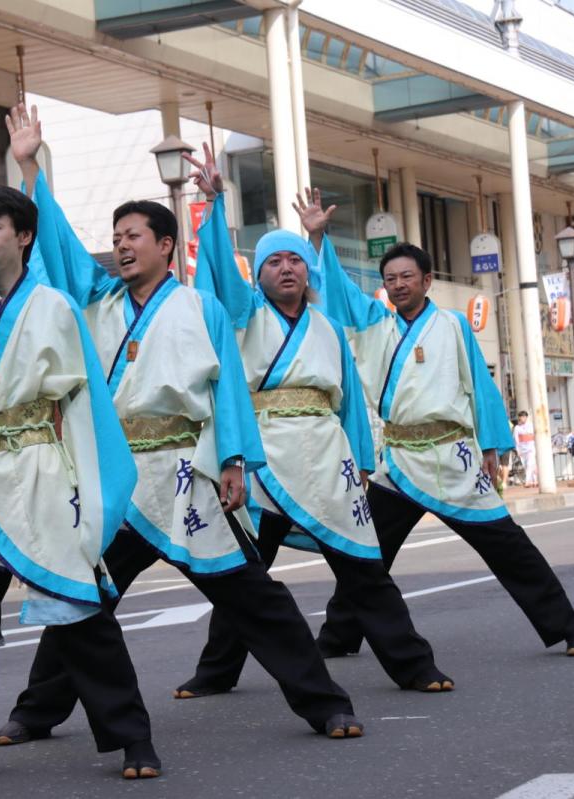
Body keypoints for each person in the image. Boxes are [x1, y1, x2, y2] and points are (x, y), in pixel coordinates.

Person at [0, 104, 363, 745]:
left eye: (135, 235)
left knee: (254, 597)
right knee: (84, 596)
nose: (122, 245)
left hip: (189, 474)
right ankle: (35, 712)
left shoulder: (202, 307)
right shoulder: (96, 300)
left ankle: (324, 703)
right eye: (117, 236)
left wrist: (234, 460)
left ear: (166, 245)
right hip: (119, 479)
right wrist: (30, 167)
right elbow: (50, 242)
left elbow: (228, 398)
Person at [0, 78, 158, 781]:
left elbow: (83, 407)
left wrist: (93, 490)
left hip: (42, 474)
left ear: (23, 235)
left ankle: (132, 737)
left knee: (79, 612)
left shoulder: (53, 304)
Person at [171, 151, 453, 700]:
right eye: (275, 262)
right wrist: (217, 200)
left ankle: (413, 665)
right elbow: (220, 276)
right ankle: (216, 672)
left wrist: (362, 456)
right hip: (265, 459)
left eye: (295, 262)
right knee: (246, 575)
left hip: (327, 458)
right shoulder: (243, 314)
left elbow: (348, 400)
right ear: (262, 272)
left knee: (363, 566)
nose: (286, 270)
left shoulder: (327, 325)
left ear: (307, 270)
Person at [297, 189, 574, 661]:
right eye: (390, 278)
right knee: (364, 554)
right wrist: (318, 237)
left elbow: (479, 386)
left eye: (407, 277)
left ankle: (568, 628)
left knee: (509, 547)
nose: (398, 285)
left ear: (428, 280)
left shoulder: (455, 325)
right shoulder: (376, 323)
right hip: (398, 463)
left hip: (454, 459)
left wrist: (493, 444)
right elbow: (337, 290)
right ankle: (338, 637)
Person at [513, 410, 538, 487]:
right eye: (521, 417)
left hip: (531, 448)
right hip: (522, 449)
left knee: (530, 464)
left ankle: (527, 481)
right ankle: (535, 480)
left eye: (524, 417)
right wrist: (517, 450)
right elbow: (516, 440)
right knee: (527, 465)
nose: (522, 418)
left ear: (526, 417)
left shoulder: (531, 425)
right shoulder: (517, 428)